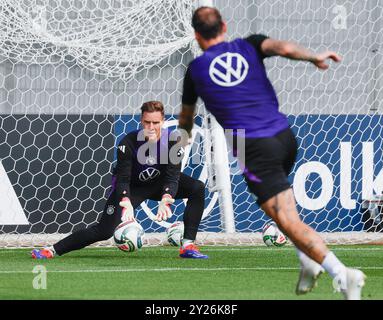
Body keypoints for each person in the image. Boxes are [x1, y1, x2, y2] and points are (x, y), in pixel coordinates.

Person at [178, 6, 365, 299]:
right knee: (283, 214)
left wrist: (185, 136)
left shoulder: (195, 71)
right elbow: (284, 47)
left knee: (286, 220)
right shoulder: (249, 44)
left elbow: (186, 118)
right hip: (284, 137)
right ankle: (307, 261)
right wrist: (314, 56)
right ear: (224, 27)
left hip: (254, 148)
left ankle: (341, 274)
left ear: (197, 36)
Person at [32, 101, 208, 259]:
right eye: (147, 122)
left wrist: (166, 198)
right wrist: (125, 200)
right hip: (131, 188)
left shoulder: (173, 142)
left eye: (156, 122)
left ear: (163, 121)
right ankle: (52, 250)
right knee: (103, 231)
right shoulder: (128, 142)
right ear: (141, 121)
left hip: (159, 184)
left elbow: (172, 175)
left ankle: (187, 246)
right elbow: (122, 177)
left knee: (197, 188)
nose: (151, 127)